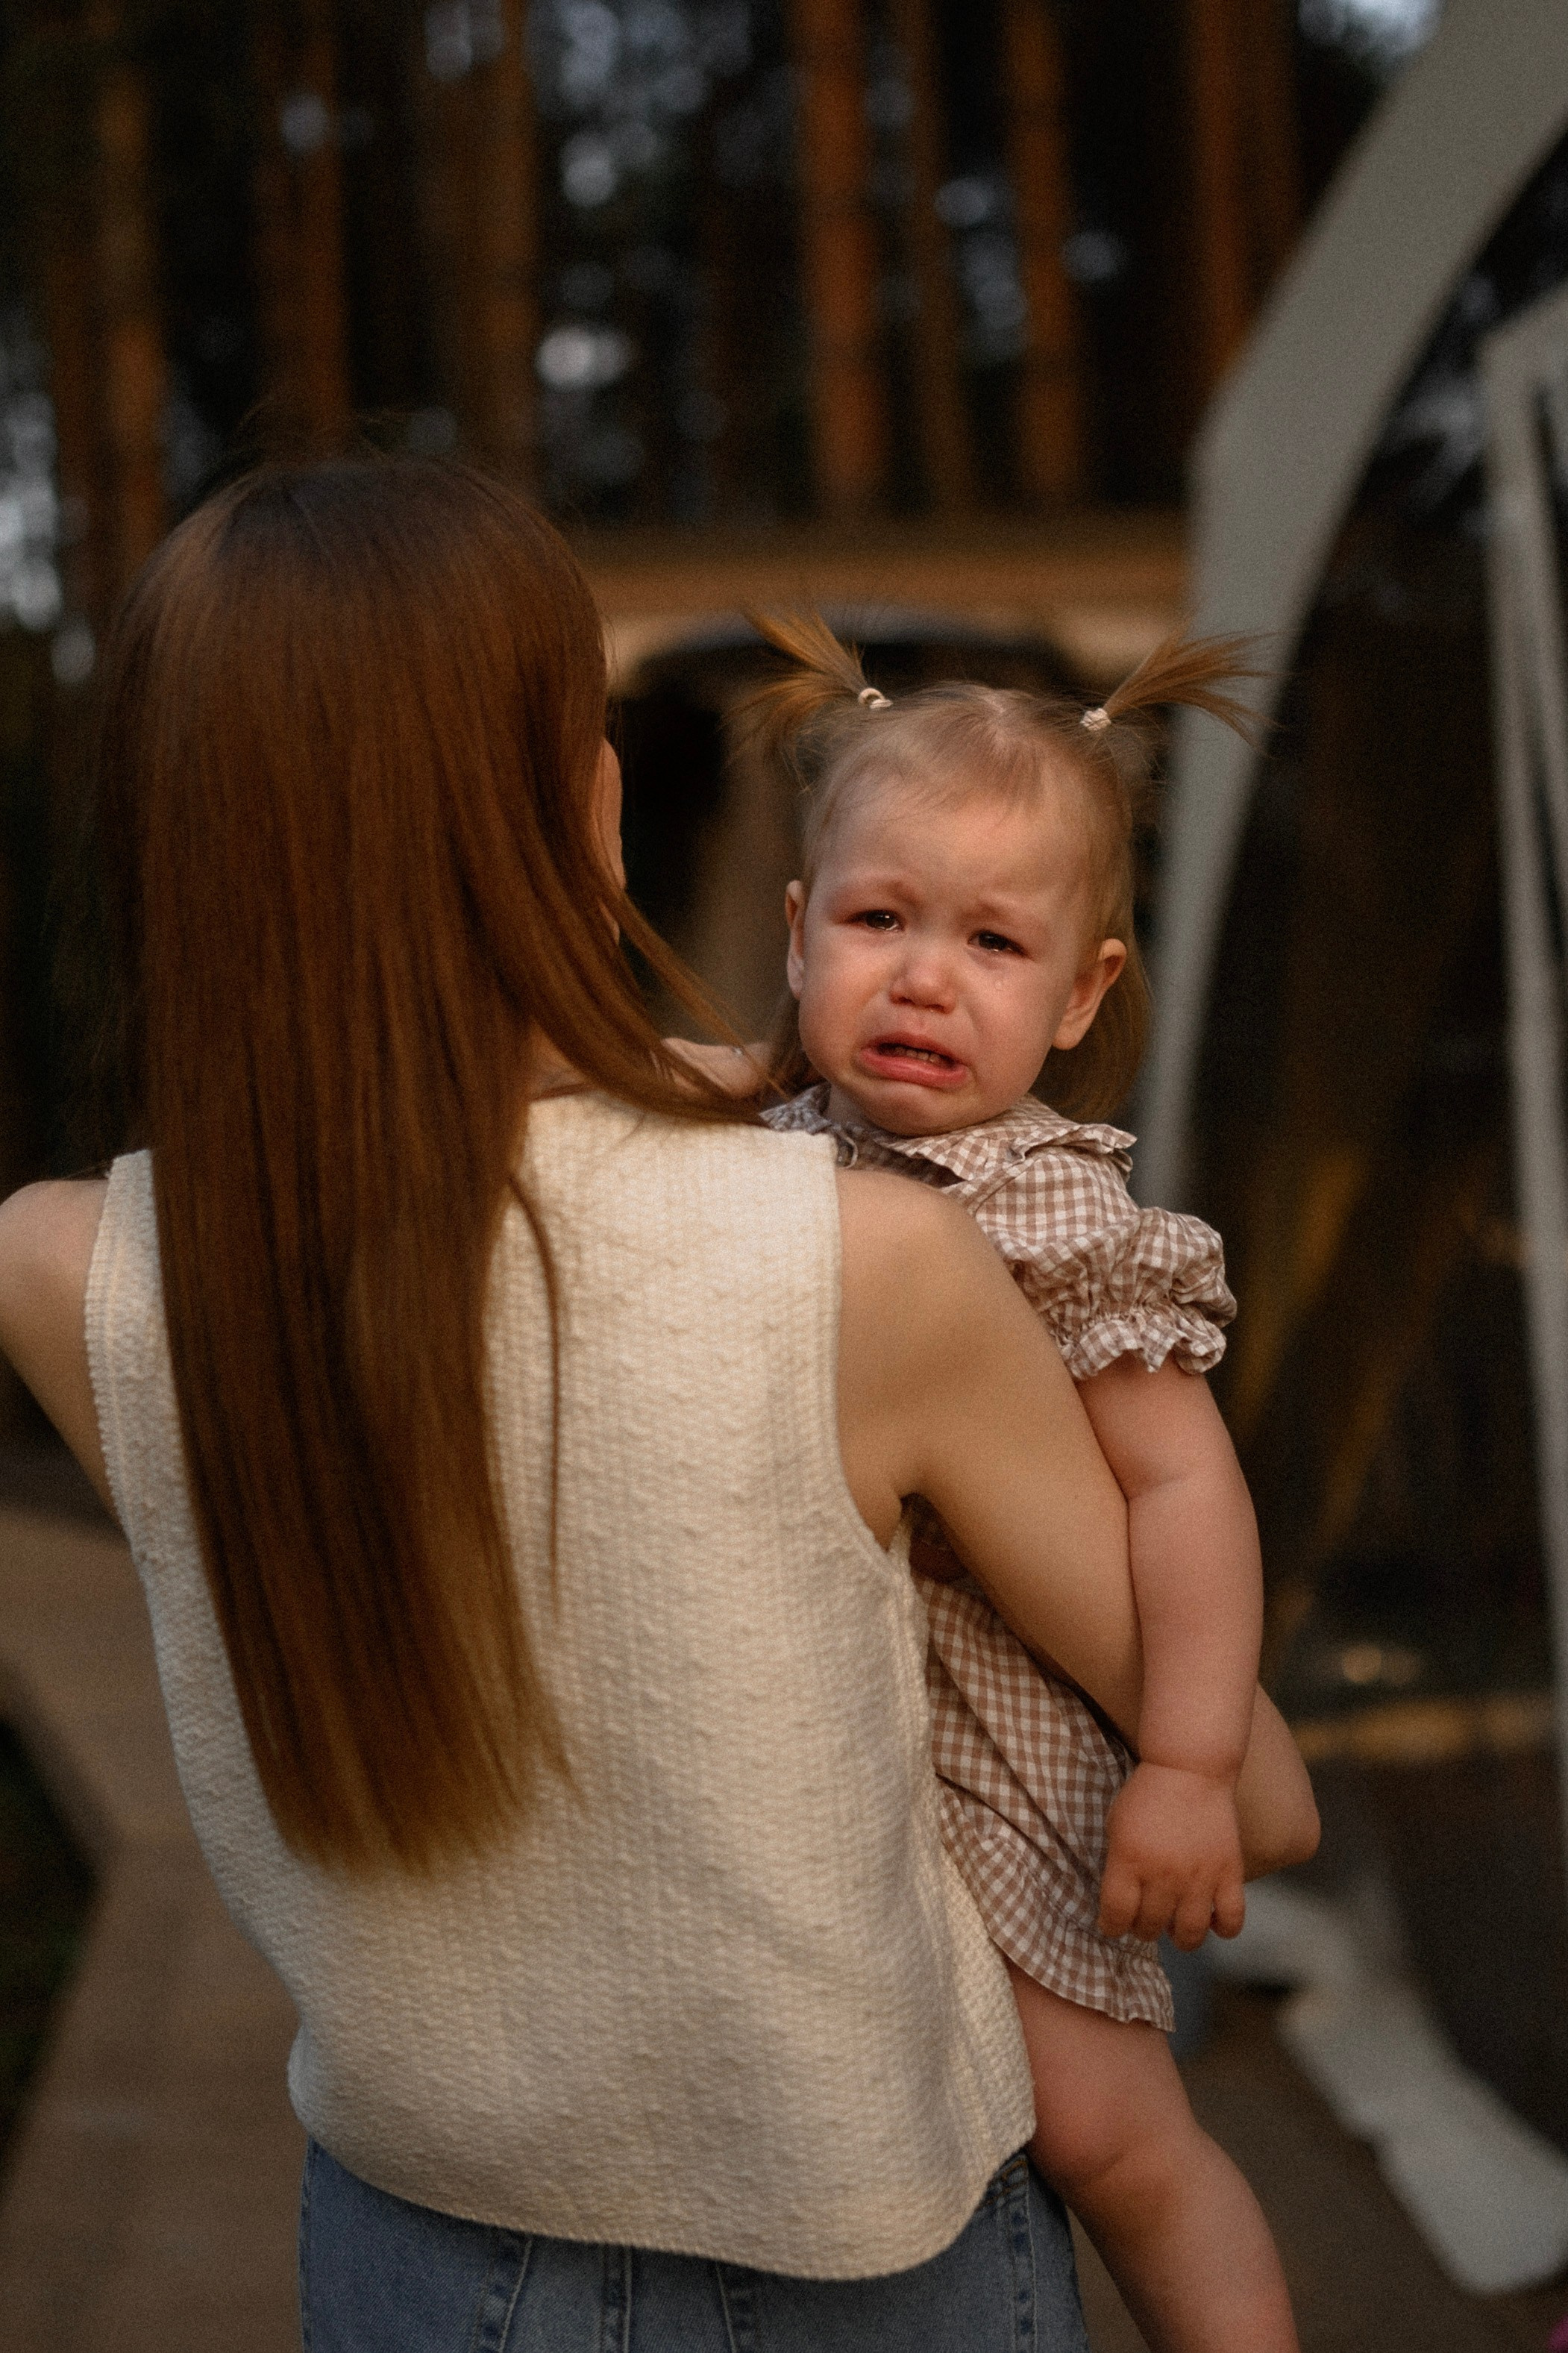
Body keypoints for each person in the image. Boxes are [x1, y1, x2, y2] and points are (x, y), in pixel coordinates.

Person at [0, 457, 1226, 2352]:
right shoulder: (862, 1260)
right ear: (582, 801)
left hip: (411, 2251)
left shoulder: (70, 1270)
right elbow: (1252, 1784)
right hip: (874, 2255)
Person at [738, 612, 1317, 2353]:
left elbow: (1182, 1497)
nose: (923, 976)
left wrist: (1195, 1763)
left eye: (992, 941)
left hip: (1006, 1769)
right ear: (796, 936)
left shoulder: (1060, 1217)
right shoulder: (754, 1159)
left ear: (1080, 994)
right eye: (879, 919)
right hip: (809, 1761)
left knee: (1106, 2134)